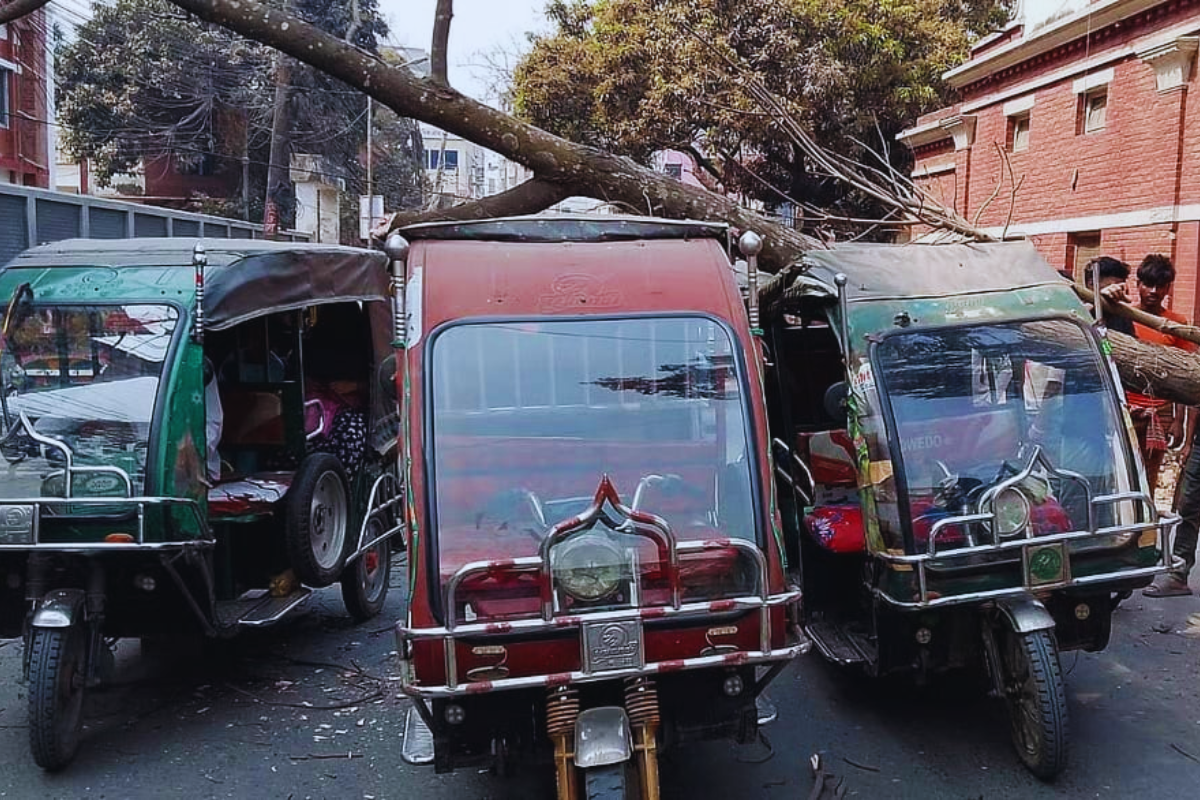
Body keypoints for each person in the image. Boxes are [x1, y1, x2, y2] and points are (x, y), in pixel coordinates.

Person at [1117, 255, 1196, 494]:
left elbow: (1186, 376)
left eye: (1160, 286)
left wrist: (1177, 421)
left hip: (1160, 413)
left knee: (1149, 478)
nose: (1153, 291)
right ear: (1138, 283)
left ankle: (1145, 530)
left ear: (1168, 288)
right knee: (1121, 472)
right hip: (1124, 408)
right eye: (1148, 284)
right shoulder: (1121, 317)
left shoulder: (1177, 324)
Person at [1083, 256, 1136, 337]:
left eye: (1120, 287)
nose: (1117, 292)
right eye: (1112, 286)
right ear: (1091, 283)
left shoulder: (1122, 319)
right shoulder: (1070, 310)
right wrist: (1100, 300)